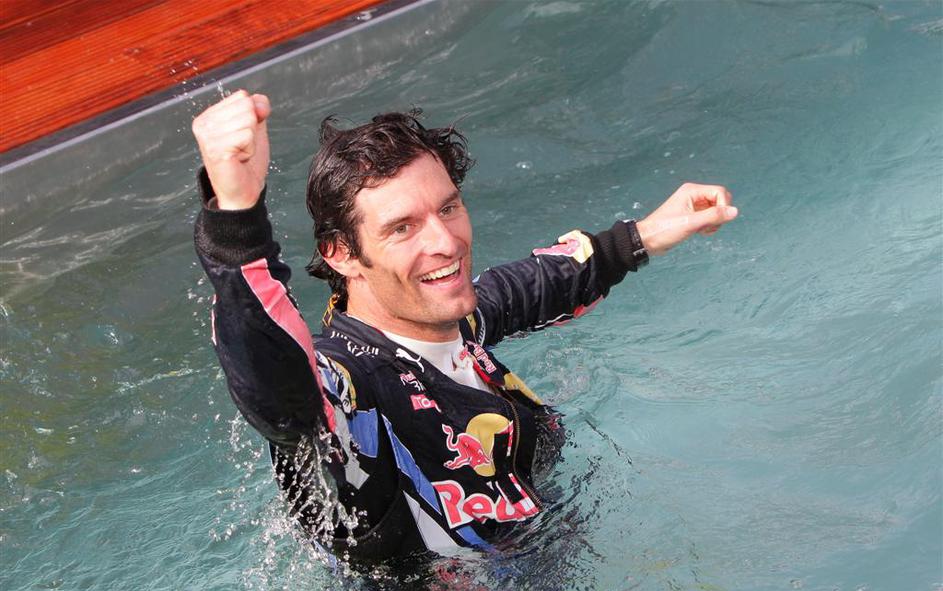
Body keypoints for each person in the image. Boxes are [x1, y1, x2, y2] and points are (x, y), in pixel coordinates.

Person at [192, 90, 738, 561]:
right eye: (403, 228)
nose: (446, 242)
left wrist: (647, 234)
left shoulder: (446, 321)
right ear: (341, 253)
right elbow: (277, 387)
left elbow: (535, 284)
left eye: (448, 208)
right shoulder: (348, 392)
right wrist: (236, 218)